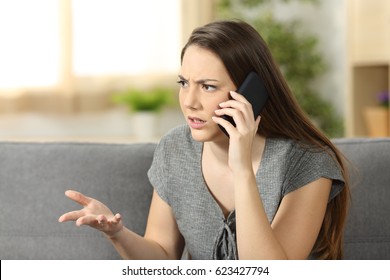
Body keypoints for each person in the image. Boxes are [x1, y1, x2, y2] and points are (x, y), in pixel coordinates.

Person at [59, 19, 350, 260]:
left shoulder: (308, 161)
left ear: (252, 93)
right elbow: (162, 256)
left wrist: (243, 170)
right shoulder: (175, 148)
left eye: (208, 87)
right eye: (183, 83)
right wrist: (117, 234)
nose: (189, 102)